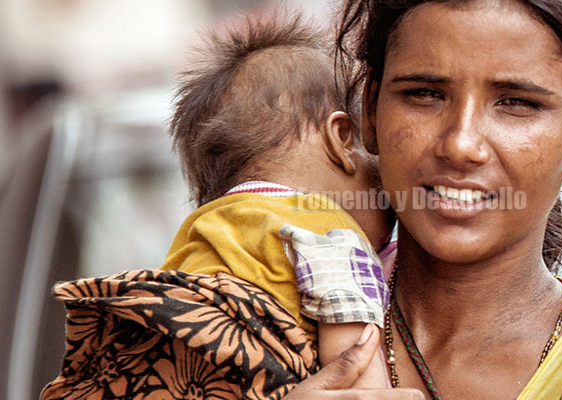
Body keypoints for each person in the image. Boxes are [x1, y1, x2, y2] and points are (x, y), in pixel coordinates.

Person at [42, 1, 562, 399]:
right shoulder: (233, 327)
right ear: (363, 117)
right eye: (423, 94)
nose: (461, 142)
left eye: (516, 103)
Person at [41, 14, 395, 398]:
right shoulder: (327, 231)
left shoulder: (199, 231)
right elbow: (355, 358)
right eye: (372, 148)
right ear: (342, 138)